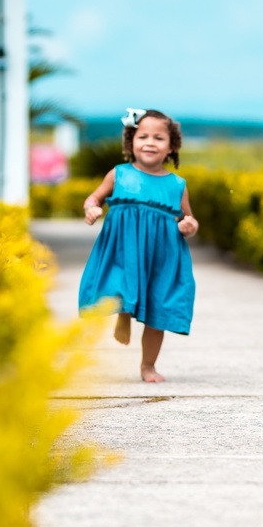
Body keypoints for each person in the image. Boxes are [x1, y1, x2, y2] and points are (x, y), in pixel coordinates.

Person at [79, 108, 198, 383]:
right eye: (142, 136)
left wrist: (189, 226)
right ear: (131, 141)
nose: (150, 142)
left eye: (158, 138)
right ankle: (124, 310)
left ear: (171, 146)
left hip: (162, 257)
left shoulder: (176, 184)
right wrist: (91, 209)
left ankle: (148, 366)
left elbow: (188, 218)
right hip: (123, 251)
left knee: (159, 309)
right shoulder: (118, 174)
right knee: (118, 285)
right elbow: (93, 198)